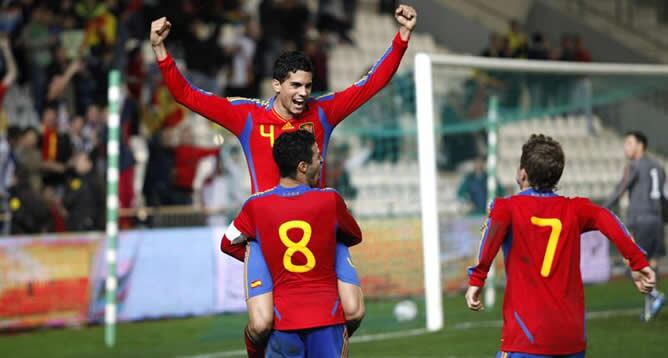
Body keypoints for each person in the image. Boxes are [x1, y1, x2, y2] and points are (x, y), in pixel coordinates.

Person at [149, 4, 416, 357]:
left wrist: (402, 38)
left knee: (352, 311)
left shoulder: (323, 113)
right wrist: (160, 50)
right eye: (295, 85)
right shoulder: (247, 116)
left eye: (307, 85)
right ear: (277, 85)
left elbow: (370, 85)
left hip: (319, 228)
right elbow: (188, 95)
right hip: (267, 230)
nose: (303, 93)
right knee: (261, 325)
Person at [466, 134, 655, 357]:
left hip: (526, 337)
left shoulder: (506, 208)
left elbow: (491, 238)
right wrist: (637, 261)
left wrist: (477, 279)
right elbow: (608, 218)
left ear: (522, 173)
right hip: (571, 338)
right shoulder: (575, 209)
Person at [222, 130, 362, 357]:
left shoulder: (256, 206)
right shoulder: (329, 200)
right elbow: (354, 235)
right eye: (317, 156)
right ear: (303, 167)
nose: (322, 159)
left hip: (282, 322)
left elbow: (228, 243)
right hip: (328, 317)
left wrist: (271, 258)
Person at [603, 131, 666, 321]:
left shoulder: (634, 165)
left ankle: (654, 295)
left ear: (640, 145)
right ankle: (649, 309)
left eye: (629, 143)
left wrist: (601, 210)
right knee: (652, 263)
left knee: (633, 263)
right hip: (657, 220)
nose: (626, 147)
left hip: (640, 220)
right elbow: (664, 196)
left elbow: (620, 188)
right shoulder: (658, 166)